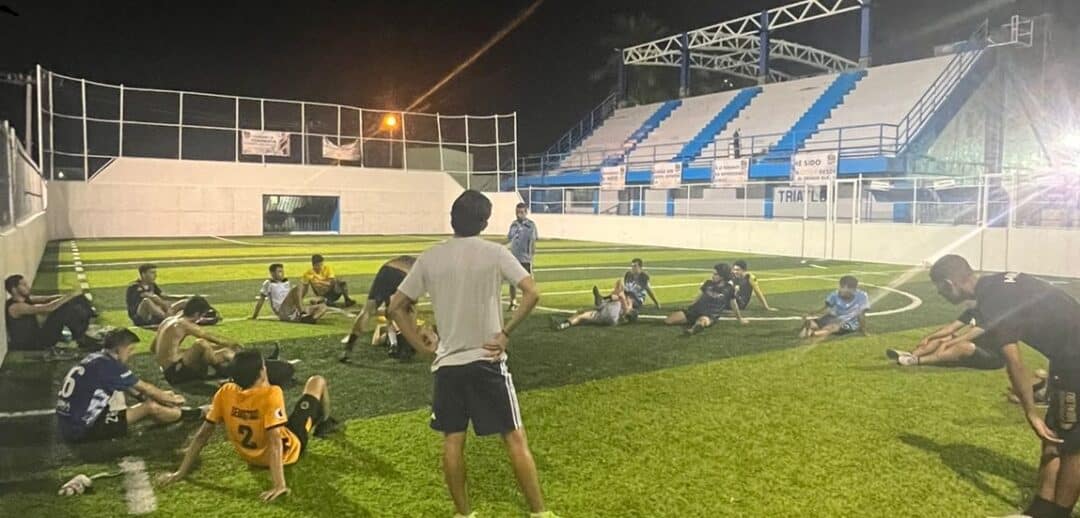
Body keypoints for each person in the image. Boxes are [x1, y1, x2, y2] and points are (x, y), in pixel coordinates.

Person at [388, 190, 559, 518]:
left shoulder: (430, 257)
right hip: (487, 362)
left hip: (448, 365)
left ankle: (463, 514)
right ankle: (539, 512)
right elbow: (532, 292)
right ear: (484, 221)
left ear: (453, 219)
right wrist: (506, 333)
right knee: (514, 436)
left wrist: (421, 345)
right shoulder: (494, 253)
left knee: (453, 440)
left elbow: (396, 306)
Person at [929, 255, 1080, 518]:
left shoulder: (994, 302)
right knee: (1054, 435)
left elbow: (1014, 362)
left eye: (939, 288)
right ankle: (1040, 511)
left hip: (1075, 360)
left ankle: (1059, 514)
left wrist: (1030, 411)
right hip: (1065, 359)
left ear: (949, 283)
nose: (939, 294)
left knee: (1073, 446)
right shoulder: (995, 284)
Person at [159, 349, 336, 502]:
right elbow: (275, 443)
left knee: (277, 420)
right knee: (317, 381)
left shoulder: (225, 392)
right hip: (288, 452)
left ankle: (317, 420)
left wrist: (179, 473)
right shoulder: (272, 394)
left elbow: (202, 435)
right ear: (261, 371)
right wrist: (279, 485)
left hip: (250, 456)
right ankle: (326, 421)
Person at [56, 328, 197, 443]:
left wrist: (160, 398)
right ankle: (191, 413)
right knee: (150, 407)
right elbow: (146, 388)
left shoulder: (95, 358)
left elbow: (131, 387)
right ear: (118, 350)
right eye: (129, 350)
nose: (131, 354)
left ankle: (169, 409)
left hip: (66, 423)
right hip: (82, 429)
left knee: (141, 394)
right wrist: (172, 400)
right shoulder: (110, 366)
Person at [339, 255, 416, 361]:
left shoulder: (412, 260)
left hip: (385, 270)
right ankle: (405, 347)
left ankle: (348, 349)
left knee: (367, 311)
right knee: (408, 310)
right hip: (403, 274)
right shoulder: (426, 268)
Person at [152, 296, 242, 386]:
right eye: (201, 316)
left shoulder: (168, 320)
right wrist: (233, 344)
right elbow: (213, 338)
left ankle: (224, 370)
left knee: (216, 350)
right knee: (203, 344)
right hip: (175, 372)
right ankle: (226, 371)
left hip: (168, 370)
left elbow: (153, 348)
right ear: (196, 314)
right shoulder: (185, 324)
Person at [885, 308, 1004, 369]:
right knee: (942, 338)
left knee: (964, 346)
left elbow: (971, 335)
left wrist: (948, 343)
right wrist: (929, 337)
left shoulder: (993, 313)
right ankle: (911, 354)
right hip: (975, 348)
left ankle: (916, 361)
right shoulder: (973, 311)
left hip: (992, 356)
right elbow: (950, 328)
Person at [5, 274, 96, 351]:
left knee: (74, 300)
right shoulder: (16, 307)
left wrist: (70, 296)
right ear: (14, 289)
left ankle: (83, 334)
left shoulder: (24, 300)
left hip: (38, 336)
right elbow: (47, 308)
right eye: (24, 285)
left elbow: (46, 299)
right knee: (63, 309)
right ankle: (81, 338)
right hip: (34, 343)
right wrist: (69, 297)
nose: (28, 287)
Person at [664, 263, 747, 335]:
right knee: (668, 321)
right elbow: (699, 296)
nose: (713, 276)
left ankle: (692, 329)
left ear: (722, 276)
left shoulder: (729, 289)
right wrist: (690, 307)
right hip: (695, 311)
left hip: (709, 315)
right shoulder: (708, 283)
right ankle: (691, 321)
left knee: (702, 321)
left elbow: (734, 304)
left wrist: (740, 319)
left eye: (715, 274)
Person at [251, 263, 327, 324]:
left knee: (323, 307)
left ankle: (311, 319)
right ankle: (302, 313)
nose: (282, 273)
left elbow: (295, 297)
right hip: (282, 311)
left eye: (283, 271)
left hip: (293, 310)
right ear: (272, 273)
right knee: (298, 287)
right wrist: (254, 316)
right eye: (279, 271)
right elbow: (261, 300)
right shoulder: (268, 283)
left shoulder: (286, 282)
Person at [799, 275, 870, 340]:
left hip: (849, 322)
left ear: (854, 289)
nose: (843, 291)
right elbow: (824, 308)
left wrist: (863, 330)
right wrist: (811, 313)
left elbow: (861, 314)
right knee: (818, 322)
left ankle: (812, 333)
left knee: (835, 328)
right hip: (834, 317)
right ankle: (810, 328)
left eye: (847, 289)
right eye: (842, 287)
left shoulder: (862, 296)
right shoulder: (834, 295)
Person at [125, 264, 190, 327]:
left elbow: (163, 296)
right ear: (143, 274)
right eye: (152, 273)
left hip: (156, 314)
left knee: (184, 302)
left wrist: (182, 297)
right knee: (147, 301)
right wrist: (166, 306)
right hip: (140, 317)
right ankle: (168, 319)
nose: (155, 275)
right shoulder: (134, 286)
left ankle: (193, 318)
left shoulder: (152, 284)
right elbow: (150, 296)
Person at [553, 282, 638, 330]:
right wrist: (585, 309)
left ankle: (601, 300)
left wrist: (618, 297)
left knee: (616, 297)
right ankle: (562, 325)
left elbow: (622, 299)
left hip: (611, 315)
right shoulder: (622, 304)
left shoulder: (626, 303)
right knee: (581, 315)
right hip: (608, 317)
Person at [507, 202, 538, 311]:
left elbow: (533, 241)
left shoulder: (531, 225)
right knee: (512, 280)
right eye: (517, 212)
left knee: (528, 282)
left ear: (526, 212)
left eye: (520, 212)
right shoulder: (514, 224)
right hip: (514, 257)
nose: (518, 214)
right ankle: (513, 302)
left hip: (525, 258)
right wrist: (516, 230)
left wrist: (531, 256)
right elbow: (509, 237)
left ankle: (529, 302)